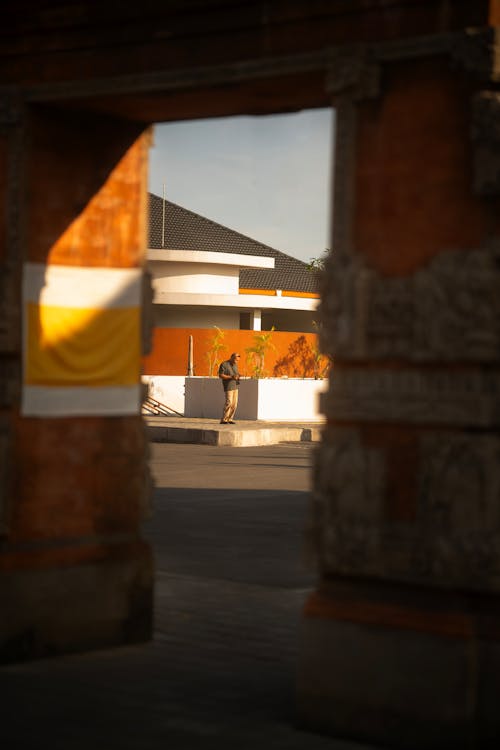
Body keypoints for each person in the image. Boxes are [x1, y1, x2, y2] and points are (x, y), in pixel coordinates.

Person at [218, 352, 241, 424]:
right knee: (229, 402)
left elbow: (235, 374)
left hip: (235, 386)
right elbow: (221, 375)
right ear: (231, 357)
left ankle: (230, 419)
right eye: (235, 360)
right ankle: (224, 419)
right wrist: (231, 377)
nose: (236, 361)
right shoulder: (224, 364)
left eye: (237, 360)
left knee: (234, 404)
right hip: (228, 386)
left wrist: (238, 376)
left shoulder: (235, 365)